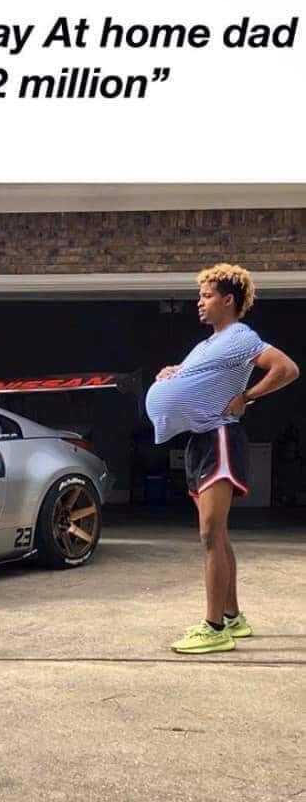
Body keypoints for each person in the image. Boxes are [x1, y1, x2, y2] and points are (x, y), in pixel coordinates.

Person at [145, 264, 299, 654]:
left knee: (210, 534)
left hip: (219, 438)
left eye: (207, 296)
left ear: (227, 301)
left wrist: (247, 397)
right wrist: (171, 374)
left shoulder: (241, 337)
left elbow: (286, 368)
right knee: (219, 535)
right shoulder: (207, 345)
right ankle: (232, 616)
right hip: (201, 441)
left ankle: (214, 627)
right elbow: (194, 377)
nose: (200, 303)